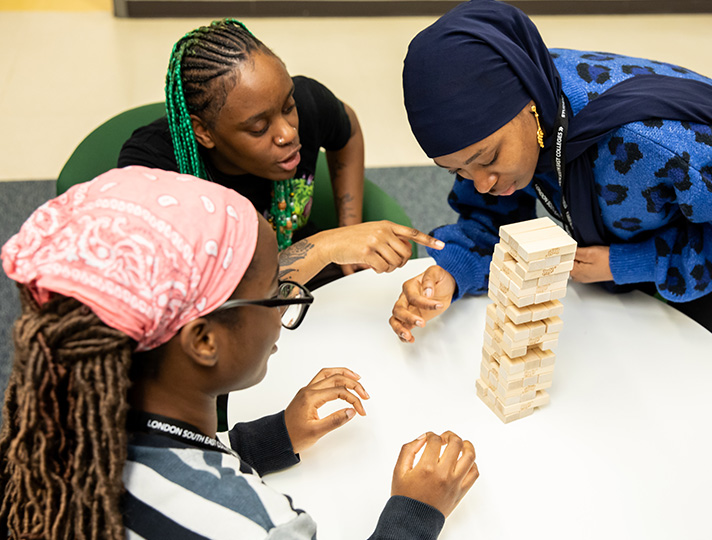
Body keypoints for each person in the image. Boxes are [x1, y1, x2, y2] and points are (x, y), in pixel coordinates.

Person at [0, 166, 478, 539]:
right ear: (204, 340)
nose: (288, 303)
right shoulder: (261, 527)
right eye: (276, 291)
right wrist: (415, 514)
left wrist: (272, 437)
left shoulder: (62, 420)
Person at [389, 0, 712, 340]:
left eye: (489, 158)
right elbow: (489, 221)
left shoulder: (667, 145)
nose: (482, 184)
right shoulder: (527, 99)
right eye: (456, 171)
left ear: (531, 107)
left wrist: (633, 263)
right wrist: (453, 272)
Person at [118, 18, 441, 289]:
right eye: (258, 128)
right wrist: (324, 246)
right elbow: (201, 298)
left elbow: (348, 129)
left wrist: (348, 222)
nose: (288, 133)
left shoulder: (307, 103)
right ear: (203, 132)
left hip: (303, 275)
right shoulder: (155, 172)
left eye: (288, 107)